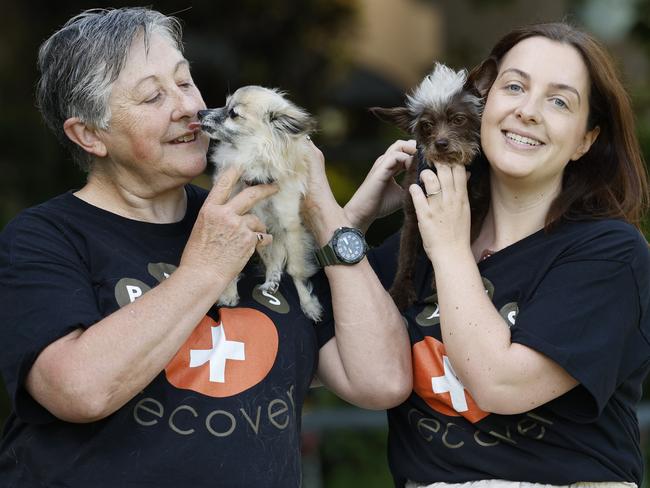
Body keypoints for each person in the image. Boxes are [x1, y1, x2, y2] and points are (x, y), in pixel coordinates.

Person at [0, 7, 412, 487]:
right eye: (153, 96)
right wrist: (203, 270)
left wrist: (324, 208)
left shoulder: (254, 221)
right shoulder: (44, 239)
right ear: (90, 134)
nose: (188, 107)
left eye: (185, 81)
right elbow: (77, 390)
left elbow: (379, 381)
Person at [345, 22, 650, 487]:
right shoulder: (417, 244)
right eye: (514, 87)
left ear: (585, 140)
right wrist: (355, 219)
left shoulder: (611, 255)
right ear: (484, 105)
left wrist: (448, 250)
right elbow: (311, 352)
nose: (528, 111)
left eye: (559, 100)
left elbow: (500, 384)